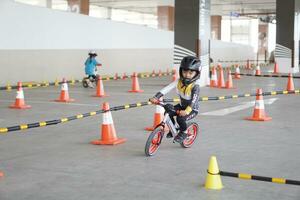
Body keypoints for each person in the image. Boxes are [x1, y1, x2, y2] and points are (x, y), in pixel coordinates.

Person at [150, 56, 201, 143]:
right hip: (181, 106)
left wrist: (187, 111)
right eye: (185, 71)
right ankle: (172, 128)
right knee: (167, 112)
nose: (187, 75)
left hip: (192, 109)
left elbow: (194, 101)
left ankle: (184, 132)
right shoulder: (179, 81)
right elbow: (167, 88)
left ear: (196, 73)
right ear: (181, 71)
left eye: (191, 72)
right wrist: (156, 97)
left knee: (180, 119)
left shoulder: (195, 86)